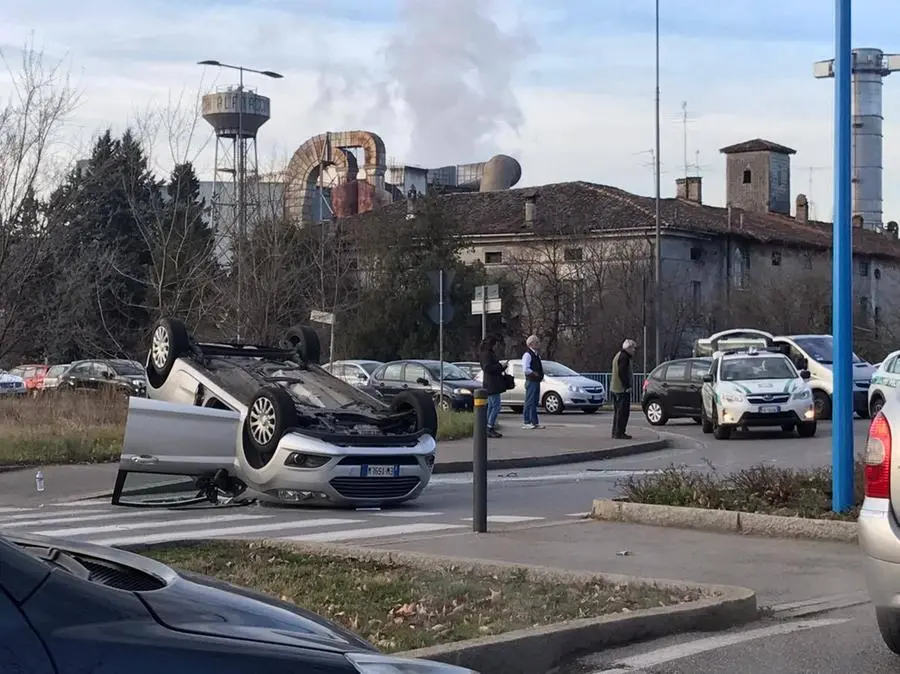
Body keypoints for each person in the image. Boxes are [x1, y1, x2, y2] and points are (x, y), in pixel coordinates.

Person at [479, 335, 507, 438]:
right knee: (496, 406)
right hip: (492, 384)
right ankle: (489, 427)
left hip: (491, 383)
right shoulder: (487, 354)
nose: (497, 347)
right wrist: (500, 366)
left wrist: (502, 367)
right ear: (492, 344)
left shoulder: (486, 353)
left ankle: (486, 427)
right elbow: (488, 368)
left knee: (491, 406)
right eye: (495, 344)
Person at [610, 339, 637, 439]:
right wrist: (627, 386)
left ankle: (616, 431)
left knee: (618, 412)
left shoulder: (619, 355)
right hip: (621, 389)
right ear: (628, 348)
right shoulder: (624, 358)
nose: (634, 350)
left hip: (615, 387)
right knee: (623, 412)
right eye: (633, 348)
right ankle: (619, 432)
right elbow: (622, 373)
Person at [521, 334, 545, 430]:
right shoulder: (527, 355)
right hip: (531, 381)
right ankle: (527, 421)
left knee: (534, 402)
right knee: (529, 401)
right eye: (537, 342)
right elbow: (525, 368)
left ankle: (534, 422)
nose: (538, 344)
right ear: (531, 344)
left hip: (536, 381)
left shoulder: (536, 355)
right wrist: (534, 373)